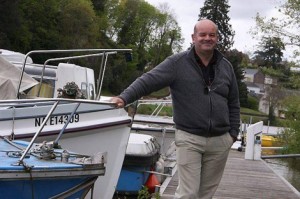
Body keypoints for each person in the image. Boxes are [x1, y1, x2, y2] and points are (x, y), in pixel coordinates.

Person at [111, 19, 240, 199]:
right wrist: (124, 97)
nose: (207, 38)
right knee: (188, 194)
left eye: (212, 35)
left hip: (220, 141)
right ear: (193, 37)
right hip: (190, 138)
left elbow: (233, 101)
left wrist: (233, 133)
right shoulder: (177, 64)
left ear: (217, 38)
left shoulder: (226, 66)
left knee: (206, 195)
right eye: (202, 34)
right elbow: (148, 80)